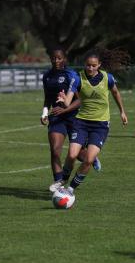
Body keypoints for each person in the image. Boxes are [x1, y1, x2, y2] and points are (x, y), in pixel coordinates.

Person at [53, 48, 128, 195]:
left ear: (99, 64)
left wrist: (122, 112)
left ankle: (71, 189)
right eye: (88, 65)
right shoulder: (78, 78)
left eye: (93, 65)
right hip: (81, 122)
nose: (90, 68)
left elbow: (116, 93)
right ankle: (63, 180)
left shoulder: (108, 78)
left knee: (88, 160)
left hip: (100, 125)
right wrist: (63, 100)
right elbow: (68, 101)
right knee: (72, 154)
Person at [41, 49, 101, 193]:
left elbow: (81, 100)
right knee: (55, 151)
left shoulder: (72, 75)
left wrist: (65, 109)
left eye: (59, 58)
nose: (56, 61)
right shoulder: (47, 76)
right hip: (56, 117)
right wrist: (44, 112)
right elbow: (48, 97)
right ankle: (59, 183)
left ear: (64, 59)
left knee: (78, 155)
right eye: (53, 58)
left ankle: (91, 158)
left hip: (75, 117)